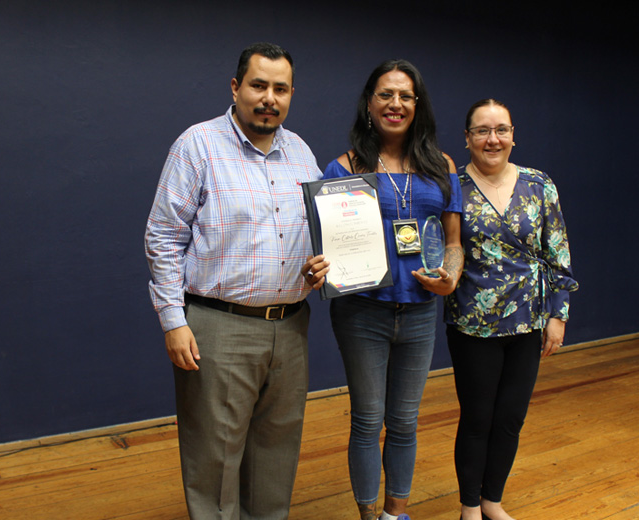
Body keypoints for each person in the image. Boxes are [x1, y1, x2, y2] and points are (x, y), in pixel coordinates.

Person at [144, 42, 329, 520]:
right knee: (215, 457)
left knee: (276, 451)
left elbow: (310, 232)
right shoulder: (198, 145)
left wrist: (316, 265)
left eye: (280, 89)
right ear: (235, 87)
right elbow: (163, 236)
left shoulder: (301, 152)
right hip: (219, 327)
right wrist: (173, 321)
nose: (269, 98)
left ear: (291, 95)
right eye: (258, 85)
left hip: (290, 326)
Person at [323, 59, 464, 520]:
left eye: (405, 95)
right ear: (370, 103)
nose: (395, 104)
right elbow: (329, 243)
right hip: (362, 312)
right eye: (386, 94)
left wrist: (450, 276)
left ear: (417, 105)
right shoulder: (344, 167)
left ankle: (395, 514)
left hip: (421, 312)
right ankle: (369, 517)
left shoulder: (441, 166)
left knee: (404, 421)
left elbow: (454, 243)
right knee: (367, 420)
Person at [444, 99, 579, 520]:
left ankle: (492, 501)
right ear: (467, 138)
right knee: (477, 418)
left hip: (528, 321)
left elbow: (558, 253)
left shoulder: (539, 185)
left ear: (513, 135)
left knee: (510, 418)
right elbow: (443, 247)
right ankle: (469, 506)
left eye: (501, 130)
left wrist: (558, 314)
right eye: (482, 131)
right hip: (473, 324)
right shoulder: (453, 187)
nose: (493, 139)